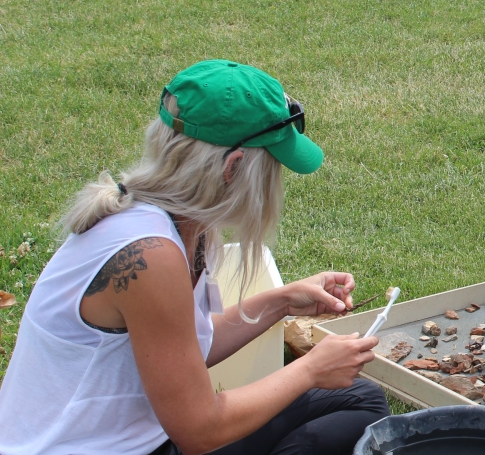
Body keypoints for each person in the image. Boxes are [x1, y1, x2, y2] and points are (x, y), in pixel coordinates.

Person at [0, 60, 389, 455]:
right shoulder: (150, 257)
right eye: (272, 169)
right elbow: (200, 430)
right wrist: (309, 370)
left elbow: (182, 349)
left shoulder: (181, 224)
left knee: (361, 402)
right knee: (353, 413)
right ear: (233, 167)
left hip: (142, 438)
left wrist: (283, 302)